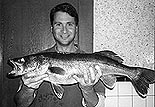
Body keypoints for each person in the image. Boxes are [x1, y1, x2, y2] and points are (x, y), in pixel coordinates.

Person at [14, 3, 106, 107]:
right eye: (58, 24)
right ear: (52, 29)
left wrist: (87, 89)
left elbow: (99, 105)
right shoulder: (37, 61)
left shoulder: (93, 63)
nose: (64, 30)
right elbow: (20, 104)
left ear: (76, 28)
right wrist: (28, 88)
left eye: (69, 24)